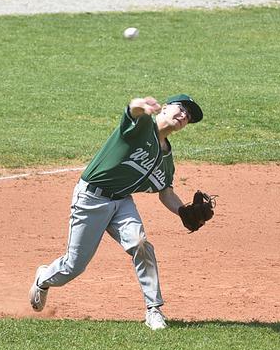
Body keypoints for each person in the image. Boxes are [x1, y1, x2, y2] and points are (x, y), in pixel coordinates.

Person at [28, 94, 206, 331]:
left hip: (122, 202)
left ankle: (154, 310)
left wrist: (183, 211)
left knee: (141, 244)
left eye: (189, 116)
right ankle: (44, 279)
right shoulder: (142, 127)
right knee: (74, 266)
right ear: (165, 108)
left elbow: (166, 192)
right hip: (91, 198)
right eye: (182, 109)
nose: (184, 116)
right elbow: (133, 110)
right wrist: (140, 105)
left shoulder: (166, 157)